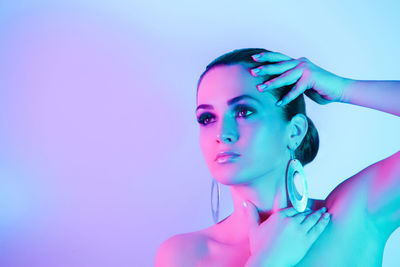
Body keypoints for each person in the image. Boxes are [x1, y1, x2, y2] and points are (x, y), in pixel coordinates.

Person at [154, 48, 400, 267]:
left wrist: (343, 88)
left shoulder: (354, 216)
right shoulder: (182, 255)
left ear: (294, 132)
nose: (222, 133)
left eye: (243, 111)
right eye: (207, 118)